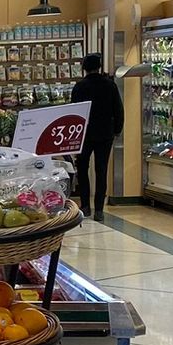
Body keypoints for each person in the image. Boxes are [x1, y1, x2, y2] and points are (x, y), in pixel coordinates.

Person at [69, 52, 124, 221]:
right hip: (105, 134)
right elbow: (118, 110)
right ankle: (99, 209)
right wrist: (117, 130)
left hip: (84, 135)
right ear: (99, 67)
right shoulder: (110, 85)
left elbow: (74, 112)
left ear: (84, 68)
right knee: (101, 171)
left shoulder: (79, 87)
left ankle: (85, 206)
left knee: (83, 169)